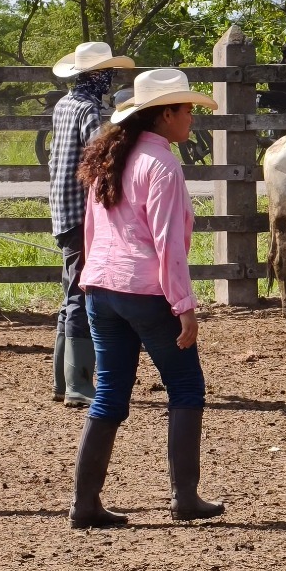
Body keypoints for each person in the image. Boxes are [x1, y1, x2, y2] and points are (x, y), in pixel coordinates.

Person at [70, 68, 225, 528]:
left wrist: (88, 277)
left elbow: (92, 230)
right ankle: (185, 497)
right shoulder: (163, 165)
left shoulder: (112, 159)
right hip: (146, 291)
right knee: (186, 386)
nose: (192, 118)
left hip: (101, 289)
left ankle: (85, 503)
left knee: (110, 395)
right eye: (187, 109)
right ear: (165, 114)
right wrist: (185, 306)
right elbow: (168, 242)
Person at [48, 41, 135, 407]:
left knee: (71, 291)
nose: (110, 78)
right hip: (82, 215)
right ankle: (79, 384)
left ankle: (63, 379)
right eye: (106, 72)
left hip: (62, 211)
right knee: (80, 295)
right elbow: (99, 161)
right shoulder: (88, 111)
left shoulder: (63, 105)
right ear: (96, 75)